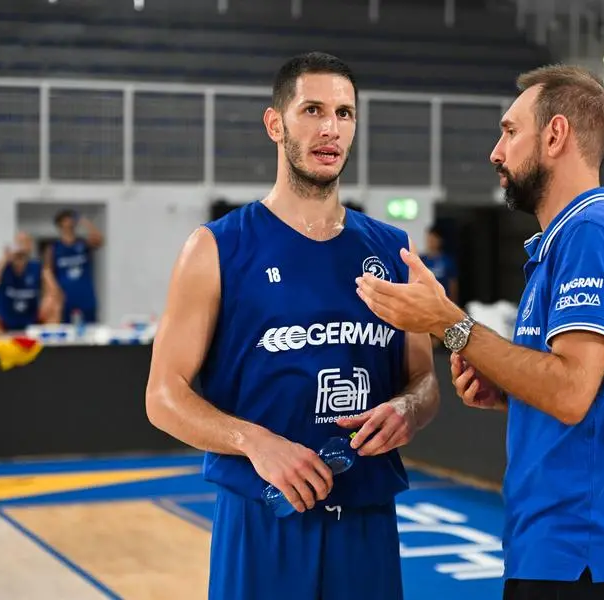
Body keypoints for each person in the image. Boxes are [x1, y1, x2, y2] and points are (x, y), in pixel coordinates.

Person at [355, 64, 604, 599]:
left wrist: (447, 323)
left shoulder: (589, 236)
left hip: (582, 555)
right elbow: (583, 395)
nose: (495, 152)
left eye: (509, 131)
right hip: (571, 552)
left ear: (555, 136)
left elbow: (570, 391)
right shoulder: (568, 243)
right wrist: (510, 389)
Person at [145, 52, 439, 600]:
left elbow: (423, 381)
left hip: (366, 516)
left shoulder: (393, 250)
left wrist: (409, 409)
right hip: (263, 517)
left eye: (345, 114)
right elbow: (162, 395)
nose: (331, 128)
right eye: (313, 110)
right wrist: (255, 442)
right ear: (275, 124)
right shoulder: (216, 248)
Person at [0, 231, 62, 334]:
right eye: (19, 242)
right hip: (5, 320)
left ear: (30, 247)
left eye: (25, 242)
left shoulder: (38, 267)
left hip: (30, 319)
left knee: (55, 307)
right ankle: (3, 341)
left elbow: (55, 291)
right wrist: (5, 259)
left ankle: (47, 344)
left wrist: (48, 299)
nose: (21, 246)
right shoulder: (2, 266)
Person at [46, 209, 103, 325]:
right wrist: (53, 290)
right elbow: (47, 271)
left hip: (85, 294)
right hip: (65, 295)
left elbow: (99, 240)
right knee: (65, 328)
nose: (69, 222)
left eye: (71, 219)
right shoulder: (54, 248)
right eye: (66, 220)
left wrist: (86, 223)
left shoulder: (82, 243)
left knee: (90, 327)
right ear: (60, 224)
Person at [420, 225, 458, 302]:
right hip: (425, 301)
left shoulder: (447, 260)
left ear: (440, 240)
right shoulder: (421, 259)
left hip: (443, 301)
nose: (431, 241)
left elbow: (453, 284)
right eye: (429, 238)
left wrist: (454, 303)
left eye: (434, 238)